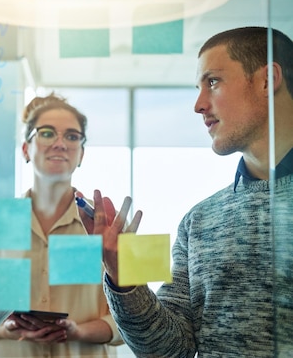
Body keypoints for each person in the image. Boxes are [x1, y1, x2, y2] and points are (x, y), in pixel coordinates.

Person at [91, 26, 293, 356]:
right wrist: (124, 278)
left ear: (268, 80)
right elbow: (171, 350)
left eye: (212, 82)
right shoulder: (198, 221)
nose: (198, 105)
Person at [0, 93, 123, 357]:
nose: (60, 143)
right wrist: (7, 328)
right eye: (47, 133)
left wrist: (79, 331)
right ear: (26, 149)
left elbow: (130, 315)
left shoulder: (105, 227)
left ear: (81, 153)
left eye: (72, 136)